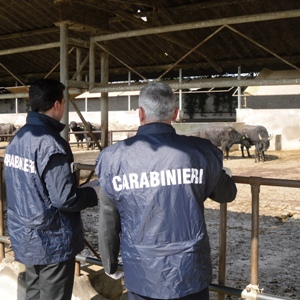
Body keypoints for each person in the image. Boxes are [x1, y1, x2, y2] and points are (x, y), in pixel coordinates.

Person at [95, 82, 237, 300]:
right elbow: (227, 194)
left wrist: (110, 264)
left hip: (142, 273)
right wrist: (221, 171)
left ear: (140, 114)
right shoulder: (200, 152)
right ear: (175, 113)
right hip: (189, 272)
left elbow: (108, 218)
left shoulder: (113, 158)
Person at [4, 78, 99, 300]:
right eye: (64, 102)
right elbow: (64, 198)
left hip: (26, 235)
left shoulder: (17, 139)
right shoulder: (50, 143)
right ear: (56, 105)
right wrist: (94, 192)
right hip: (51, 240)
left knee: (33, 294)